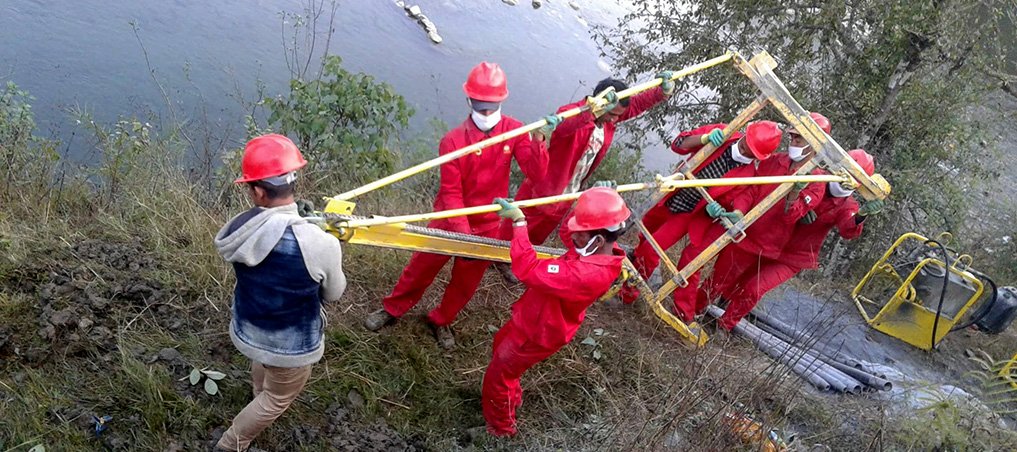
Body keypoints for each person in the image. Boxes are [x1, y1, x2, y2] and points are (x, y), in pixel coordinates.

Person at [363, 62, 550, 349]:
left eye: (491, 104)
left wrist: (539, 141)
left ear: (501, 100)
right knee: (420, 269)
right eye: (479, 104)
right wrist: (463, 236)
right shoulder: (453, 141)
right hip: (449, 220)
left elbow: (536, 175)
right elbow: (451, 193)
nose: (486, 112)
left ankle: (441, 319)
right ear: (469, 100)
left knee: (466, 282)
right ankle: (392, 309)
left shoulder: (514, 131)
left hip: (488, 224)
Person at [213, 134, 346, 451]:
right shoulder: (319, 242)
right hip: (290, 345)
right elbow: (334, 292)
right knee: (277, 397)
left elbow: (272, 227)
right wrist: (329, 244)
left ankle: (257, 393)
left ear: (257, 190)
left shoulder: (238, 230)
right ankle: (231, 443)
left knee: (265, 375)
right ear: (293, 181)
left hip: (248, 328)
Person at [482, 187, 629, 437]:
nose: (574, 238)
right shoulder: (596, 251)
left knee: (498, 375)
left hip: (538, 331)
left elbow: (526, 268)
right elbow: (568, 233)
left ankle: (502, 430)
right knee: (502, 354)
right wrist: (593, 203)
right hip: (534, 319)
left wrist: (519, 223)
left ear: (599, 239)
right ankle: (511, 397)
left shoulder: (585, 274)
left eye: (580, 234)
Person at [681, 115, 833, 331]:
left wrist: (795, 192)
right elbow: (751, 189)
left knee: (751, 290)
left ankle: (723, 328)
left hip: (768, 245)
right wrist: (739, 212)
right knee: (717, 282)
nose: (793, 143)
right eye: (792, 138)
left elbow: (791, 216)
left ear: (814, 144)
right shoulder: (774, 161)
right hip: (745, 237)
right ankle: (689, 314)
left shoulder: (817, 183)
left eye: (799, 140)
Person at [708, 149, 883, 330]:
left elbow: (848, 229)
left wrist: (861, 215)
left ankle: (724, 325)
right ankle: (712, 308)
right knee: (734, 279)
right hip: (767, 238)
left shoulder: (848, 205)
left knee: (755, 288)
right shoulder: (813, 176)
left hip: (793, 257)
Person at [496, 74, 674, 251]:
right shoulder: (575, 113)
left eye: (617, 115)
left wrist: (660, 92)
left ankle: (519, 258)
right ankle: (495, 255)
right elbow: (564, 126)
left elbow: (635, 104)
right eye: (612, 114)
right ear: (601, 104)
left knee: (538, 235)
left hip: (567, 192)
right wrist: (591, 112)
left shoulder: (608, 119)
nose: (614, 119)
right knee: (514, 228)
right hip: (543, 188)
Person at [624, 120, 783, 303]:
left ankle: (626, 294)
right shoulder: (723, 133)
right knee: (645, 235)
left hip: (688, 212)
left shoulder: (747, 175)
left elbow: (729, 201)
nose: (746, 152)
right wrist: (704, 139)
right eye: (747, 145)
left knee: (652, 248)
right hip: (670, 195)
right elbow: (678, 144)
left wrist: (716, 209)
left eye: (753, 153)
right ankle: (625, 271)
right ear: (746, 134)